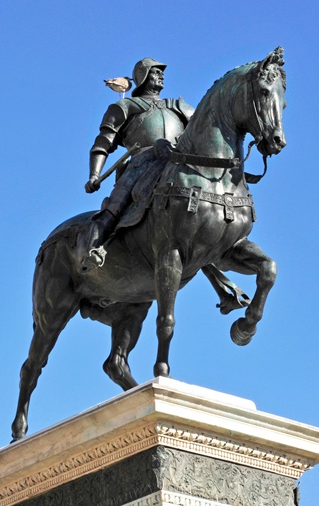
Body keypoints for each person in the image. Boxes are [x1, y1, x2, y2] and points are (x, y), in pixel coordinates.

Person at [81, 58, 250, 315]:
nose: (161, 76)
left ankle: (224, 285)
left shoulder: (178, 106)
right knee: (116, 206)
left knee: (195, 219)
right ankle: (96, 248)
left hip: (177, 162)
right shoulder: (126, 106)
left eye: (162, 72)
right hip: (141, 164)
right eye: (155, 72)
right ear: (143, 76)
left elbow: (202, 130)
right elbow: (103, 142)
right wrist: (95, 174)